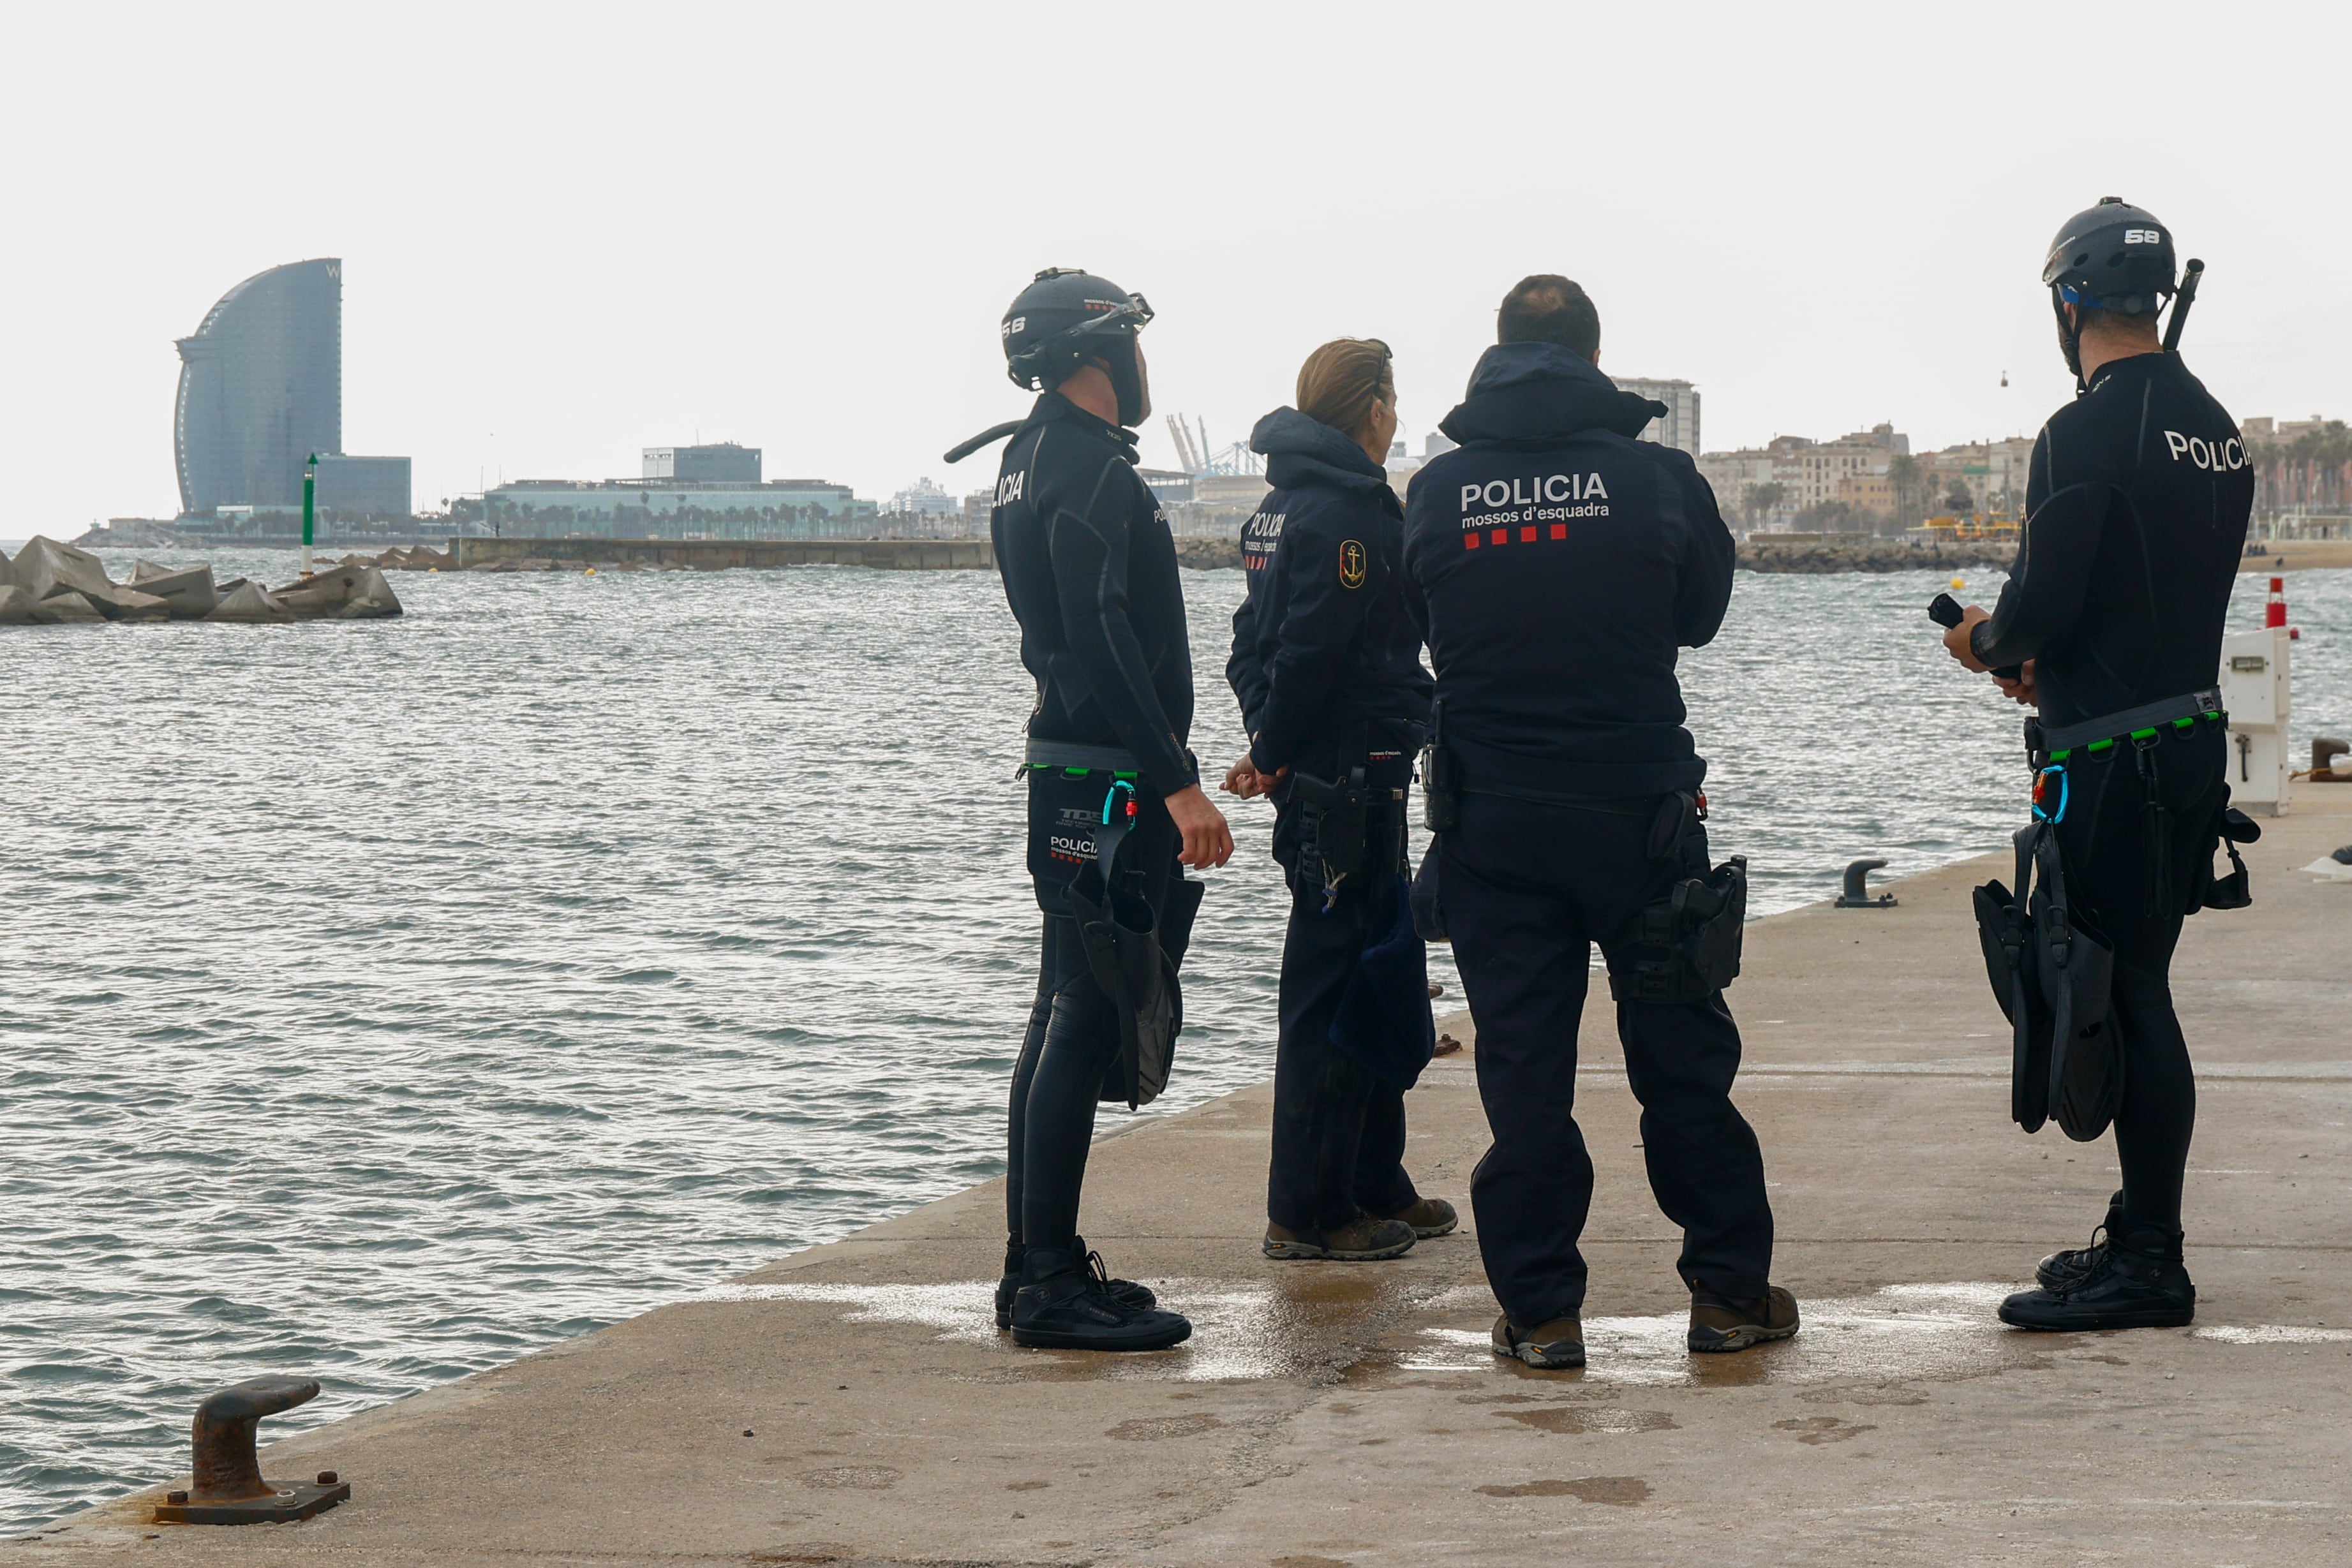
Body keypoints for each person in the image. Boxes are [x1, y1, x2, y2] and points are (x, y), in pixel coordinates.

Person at [1404, 275, 1796, 1370]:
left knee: (1523, 1078)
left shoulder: (1436, 493)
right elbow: (1701, 617)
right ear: (1591, 355)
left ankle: (1540, 1314)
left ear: (1498, 353)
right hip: (1639, 818)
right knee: (1680, 1065)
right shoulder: (1659, 478)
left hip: (1494, 828)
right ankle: (1727, 1295)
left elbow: (1414, 625)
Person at [1941, 200, 2251, 1332]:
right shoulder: (2216, 426)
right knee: (2142, 984)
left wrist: (1985, 643)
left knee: (2124, 993)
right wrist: (2049, 662)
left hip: (2111, 761)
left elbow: (2041, 608)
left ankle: (2152, 1262)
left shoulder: (2079, 431)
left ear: (2066, 300)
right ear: (2157, 297)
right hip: (2187, 741)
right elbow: (2143, 598)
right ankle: (2138, 1230)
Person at [966, 267, 1235, 1351]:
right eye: (1130, 342)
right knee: (1083, 1007)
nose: (1140, 362)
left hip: (1064, 760)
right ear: (1100, 351)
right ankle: (1045, 1285)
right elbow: (1101, 634)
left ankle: (1036, 1264)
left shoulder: (1022, 460)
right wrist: (1174, 779)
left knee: (1058, 1006)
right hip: (1109, 771)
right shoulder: (1089, 470)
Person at [1222, 339, 1455, 1263]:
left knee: (1380, 968)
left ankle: (1371, 1178)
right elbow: (1314, 657)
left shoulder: (1275, 510)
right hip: (1349, 777)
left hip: (1335, 768)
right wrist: (1278, 751)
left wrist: (1270, 749)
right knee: (1330, 986)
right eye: (1392, 401)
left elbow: (1252, 647)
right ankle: (1308, 1208)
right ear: (1375, 409)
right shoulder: (1351, 516)